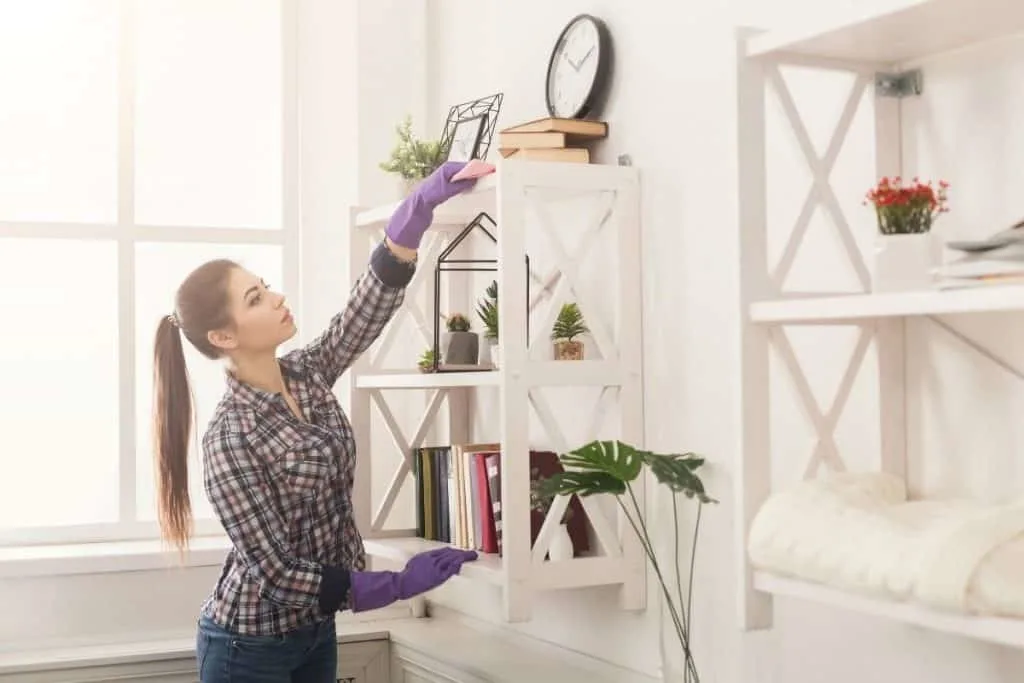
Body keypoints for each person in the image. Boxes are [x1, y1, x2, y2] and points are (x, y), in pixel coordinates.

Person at [151, 161, 482, 683]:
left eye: (266, 287)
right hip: (248, 645)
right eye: (255, 299)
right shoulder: (230, 438)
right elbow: (277, 573)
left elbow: (361, 315)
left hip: (316, 630)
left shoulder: (306, 373)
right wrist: (394, 585)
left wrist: (417, 209)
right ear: (223, 338)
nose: (277, 297)